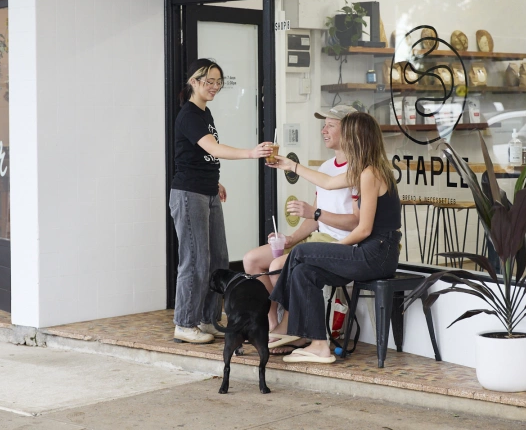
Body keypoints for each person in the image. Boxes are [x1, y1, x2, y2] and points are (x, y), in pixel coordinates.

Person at [266, 112, 401, 364]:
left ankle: (287, 324)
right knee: (304, 272)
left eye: (347, 133)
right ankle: (318, 345)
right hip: (373, 252)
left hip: (375, 253)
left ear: (356, 138)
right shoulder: (366, 171)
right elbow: (327, 182)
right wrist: (291, 166)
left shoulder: (371, 173)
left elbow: (364, 230)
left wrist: (333, 250)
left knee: (300, 253)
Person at [170, 58, 273, 344]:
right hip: (189, 194)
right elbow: (213, 148)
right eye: (208, 81)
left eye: (218, 82)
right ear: (193, 82)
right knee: (195, 261)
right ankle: (185, 323)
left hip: (207, 191)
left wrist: (214, 181)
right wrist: (251, 153)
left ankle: (207, 319)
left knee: (217, 260)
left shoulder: (205, 113)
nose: (214, 86)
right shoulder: (189, 114)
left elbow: (200, 155)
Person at [242, 105, 360, 351]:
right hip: (317, 238)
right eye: (324, 124)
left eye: (330, 125)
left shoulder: (360, 169)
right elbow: (316, 217)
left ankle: (298, 331)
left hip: (342, 245)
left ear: (349, 130)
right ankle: (274, 325)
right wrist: (291, 239)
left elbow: (357, 222)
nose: (323, 130)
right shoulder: (326, 167)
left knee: (276, 266)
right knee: (252, 260)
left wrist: (315, 213)